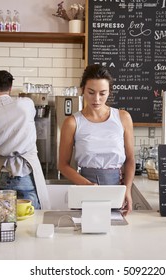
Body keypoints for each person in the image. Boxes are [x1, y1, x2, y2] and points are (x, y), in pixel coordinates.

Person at [58, 64, 135, 215]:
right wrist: (87, 186)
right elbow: (62, 164)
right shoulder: (72, 122)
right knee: (85, 232)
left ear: (109, 92)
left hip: (116, 189)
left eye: (102, 93)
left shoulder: (123, 117)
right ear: (82, 90)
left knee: (117, 233)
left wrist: (127, 189)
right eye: (91, 92)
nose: (97, 99)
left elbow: (131, 159)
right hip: (85, 189)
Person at [0, 70, 50, 210]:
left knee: (5, 224)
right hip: (26, 175)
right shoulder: (26, 104)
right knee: (31, 221)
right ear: (10, 88)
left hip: (3, 176)